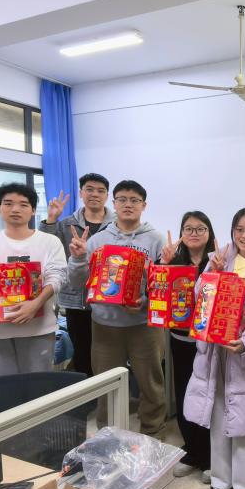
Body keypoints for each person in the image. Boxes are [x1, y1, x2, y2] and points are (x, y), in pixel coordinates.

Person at [184, 208, 245, 489]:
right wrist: (214, 272)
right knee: (218, 418)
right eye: (239, 230)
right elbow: (201, 297)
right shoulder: (222, 257)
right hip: (215, 353)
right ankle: (221, 480)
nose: (244, 236)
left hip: (244, 355)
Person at [67, 180, 166, 435]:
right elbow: (78, 282)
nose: (128, 204)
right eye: (122, 199)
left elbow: (163, 286)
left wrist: (144, 302)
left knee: (151, 383)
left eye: (134, 200)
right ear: (114, 203)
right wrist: (78, 258)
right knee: (107, 384)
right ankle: (109, 436)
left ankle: (152, 431)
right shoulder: (97, 240)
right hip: (104, 325)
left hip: (144, 325)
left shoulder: (156, 239)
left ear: (144, 205)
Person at [0, 183, 68, 374]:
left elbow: (57, 277)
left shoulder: (49, 241)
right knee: (5, 386)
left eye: (23, 204)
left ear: (33, 210)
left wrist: (36, 304)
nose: (15, 209)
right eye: (8, 203)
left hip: (39, 329)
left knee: (38, 386)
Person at [159, 211, 217, 480]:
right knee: (184, 395)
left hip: (208, 343)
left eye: (200, 228)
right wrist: (163, 264)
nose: (194, 233)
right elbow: (155, 294)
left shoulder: (217, 261)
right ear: (182, 233)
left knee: (208, 397)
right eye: (188, 229)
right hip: (180, 339)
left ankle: (210, 457)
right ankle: (192, 451)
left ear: (209, 233)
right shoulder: (173, 260)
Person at [39, 173, 114, 377]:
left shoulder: (117, 225)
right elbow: (45, 248)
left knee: (108, 356)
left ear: (107, 196)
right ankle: (88, 393)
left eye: (100, 191)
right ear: (81, 193)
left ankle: (108, 391)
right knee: (82, 354)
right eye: (89, 189)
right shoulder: (66, 224)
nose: (95, 194)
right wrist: (51, 219)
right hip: (76, 301)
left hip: (109, 301)